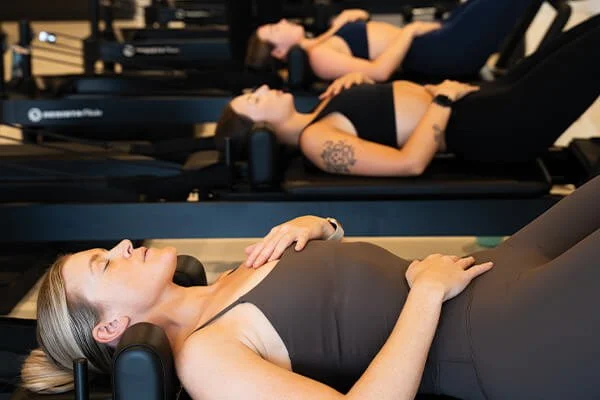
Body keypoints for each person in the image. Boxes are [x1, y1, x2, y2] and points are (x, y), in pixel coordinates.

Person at [20, 173, 600, 399]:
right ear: (110, 325)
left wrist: (320, 226)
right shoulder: (205, 360)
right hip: (501, 336)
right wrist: (425, 293)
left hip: (489, 271)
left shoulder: (226, 278)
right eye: (105, 264)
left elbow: (342, 300)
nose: (122, 246)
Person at [218, 14, 600, 176]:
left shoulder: (321, 110)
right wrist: (441, 101)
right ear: (261, 128)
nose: (264, 88)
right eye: (254, 100)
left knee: (588, 33)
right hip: (496, 126)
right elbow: (408, 163)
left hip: (485, 101)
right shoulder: (316, 142)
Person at [246, 0, 538, 81]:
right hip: (440, 53)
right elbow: (379, 72)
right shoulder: (319, 58)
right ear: (281, 52)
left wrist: (351, 16)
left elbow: (365, 30)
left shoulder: (321, 40)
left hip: (436, 39)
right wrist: (409, 32)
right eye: (274, 29)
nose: (282, 21)